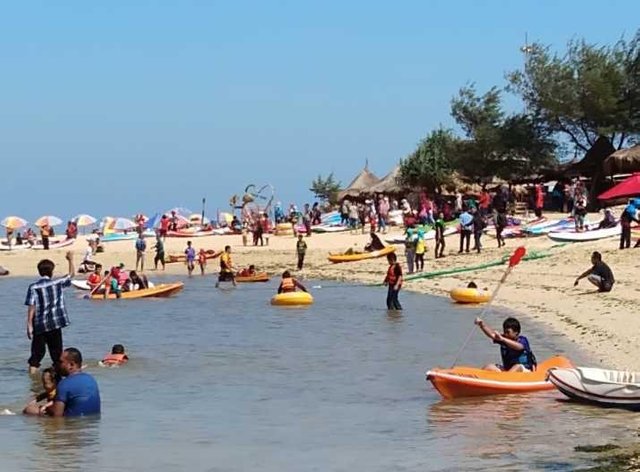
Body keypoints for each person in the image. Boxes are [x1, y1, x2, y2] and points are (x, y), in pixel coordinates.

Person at [25, 251, 75, 375]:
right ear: (51, 272)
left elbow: (32, 307)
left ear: (39, 272)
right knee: (57, 356)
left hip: (39, 325)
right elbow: (71, 275)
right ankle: (58, 382)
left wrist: (29, 325)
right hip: (54, 324)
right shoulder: (56, 284)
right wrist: (70, 259)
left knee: (35, 357)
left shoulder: (33, 287)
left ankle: (32, 383)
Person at [51, 347, 101, 417]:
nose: (58, 364)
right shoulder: (91, 379)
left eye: (61, 362)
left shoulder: (64, 384)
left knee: (32, 409)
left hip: (73, 425)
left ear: (71, 365)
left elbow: (57, 416)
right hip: (93, 424)